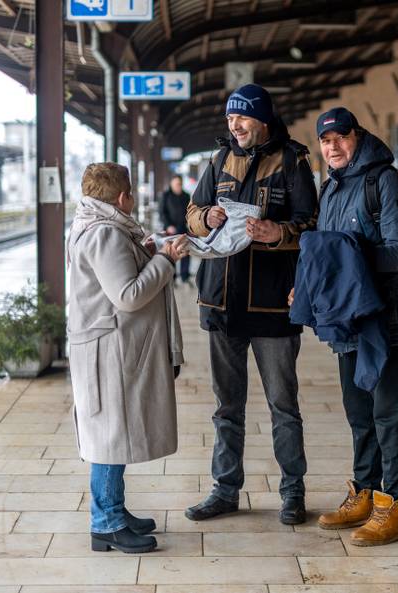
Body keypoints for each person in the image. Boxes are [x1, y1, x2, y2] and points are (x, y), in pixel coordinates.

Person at [183, 84, 318, 525]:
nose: (234, 126)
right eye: (229, 119)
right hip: (220, 301)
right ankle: (224, 490)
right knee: (226, 406)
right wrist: (207, 217)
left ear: (262, 120)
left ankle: (292, 492)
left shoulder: (293, 162)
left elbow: (311, 224)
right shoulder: (218, 160)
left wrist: (277, 233)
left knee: (283, 404)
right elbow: (192, 211)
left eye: (241, 119)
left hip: (272, 305)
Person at [308, 107, 398, 546]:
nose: (332, 146)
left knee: (389, 414)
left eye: (340, 137)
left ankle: (394, 508)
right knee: (359, 415)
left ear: (357, 136)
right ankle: (365, 492)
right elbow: (324, 253)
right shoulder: (330, 188)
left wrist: (347, 261)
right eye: (325, 140)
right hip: (345, 322)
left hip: (385, 321)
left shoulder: (384, 182)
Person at [67, 162, 189, 554]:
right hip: (108, 352)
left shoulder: (98, 225)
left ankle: (115, 510)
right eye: (131, 193)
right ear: (122, 198)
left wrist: (148, 252)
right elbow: (129, 295)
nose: (133, 199)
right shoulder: (106, 234)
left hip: (109, 348)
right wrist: (166, 261)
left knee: (112, 434)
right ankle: (105, 523)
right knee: (108, 436)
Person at [159, 174, 192, 285]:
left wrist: (190, 226)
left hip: (183, 228)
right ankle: (172, 278)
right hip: (170, 230)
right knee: (171, 253)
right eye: (177, 184)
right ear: (171, 184)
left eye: (180, 184)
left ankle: (184, 277)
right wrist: (168, 225)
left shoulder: (186, 195)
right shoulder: (166, 196)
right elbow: (162, 213)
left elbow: (190, 213)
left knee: (185, 252)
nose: (179, 186)